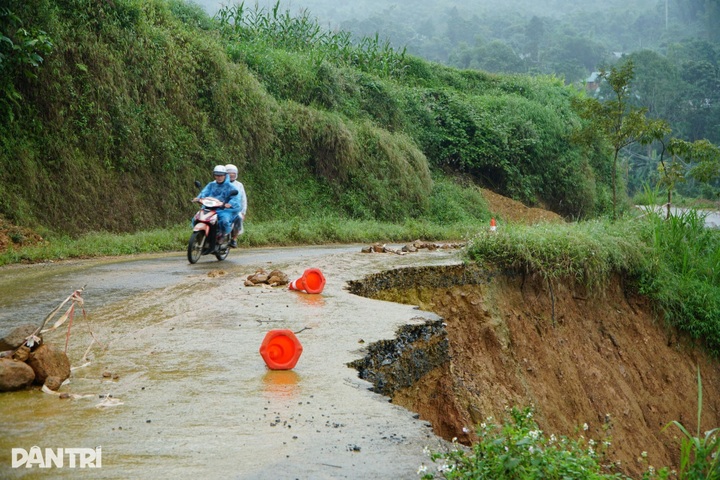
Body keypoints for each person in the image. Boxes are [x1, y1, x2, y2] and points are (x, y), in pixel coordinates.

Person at [193, 165, 238, 245]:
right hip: (209, 207)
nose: (219, 177)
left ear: (225, 175)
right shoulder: (211, 185)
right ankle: (200, 235)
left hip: (223, 209)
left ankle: (223, 234)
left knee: (224, 221)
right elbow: (204, 192)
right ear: (214, 175)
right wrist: (198, 198)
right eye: (217, 175)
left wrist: (230, 204)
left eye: (221, 175)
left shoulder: (230, 186)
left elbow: (236, 198)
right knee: (196, 218)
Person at [225, 164, 247, 248]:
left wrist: (243, 212)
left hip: (234, 209)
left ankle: (234, 239)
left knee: (239, 218)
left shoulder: (239, 185)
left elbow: (243, 199)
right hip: (220, 206)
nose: (231, 175)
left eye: (233, 173)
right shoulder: (220, 183)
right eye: (229, 173)